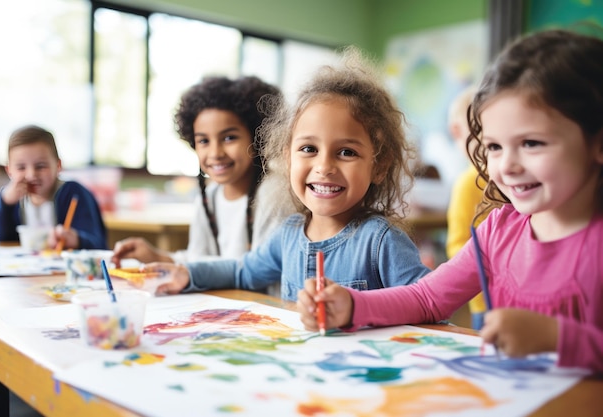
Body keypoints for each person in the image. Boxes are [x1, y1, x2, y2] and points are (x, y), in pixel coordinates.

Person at [297, 29, 603, 374]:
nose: (507, 166)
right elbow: (427, 298)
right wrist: (352, 305)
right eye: (494, 147)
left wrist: (558, 338)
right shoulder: (497, 232)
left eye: (531, 143)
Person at [143, 46, 431, 301]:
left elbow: (427, 303)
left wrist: (359, 309)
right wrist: (187, 275)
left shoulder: (381, 241)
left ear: (379, 165)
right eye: (308, 149)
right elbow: (243, 271)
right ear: (287, 158)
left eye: (346, 152)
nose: (324, 166)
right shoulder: (289, 234)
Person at [111, 76, 285, 267]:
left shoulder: (274, 195)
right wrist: (157, 257)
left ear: (258, 137)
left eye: (229, 138)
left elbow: (256, 270)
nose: (215, 153)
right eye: (203, 141)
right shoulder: (209, 197)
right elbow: (199, 259)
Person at [0, 125, 107, 249]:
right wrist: (5, 203)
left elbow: (98, 243)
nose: (31, 175)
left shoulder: (74, 193)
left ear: (58, 166)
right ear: (9, 171)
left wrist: (76, 240)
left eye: (40, 166)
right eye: (21, 168)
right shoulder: (12, 199)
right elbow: (3, 241)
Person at [445, 85, 488, 330]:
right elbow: (458, 245)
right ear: (457, 132)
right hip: (485, 301)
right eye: (480, 130)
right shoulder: (466, 184)